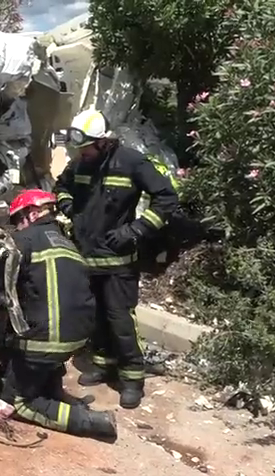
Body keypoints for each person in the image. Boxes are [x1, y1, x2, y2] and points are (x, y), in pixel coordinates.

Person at [54, 109, 179, 409]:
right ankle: (102, 364)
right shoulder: (81, 163)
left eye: (86, 148)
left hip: (119, 260)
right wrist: (69, 205)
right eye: (79, 149)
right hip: (88, 257)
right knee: (95, 316)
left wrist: (136, 230)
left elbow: (167, 198)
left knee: (120, 318)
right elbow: (60, 187)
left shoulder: (131, 162)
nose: (81, 154)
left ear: (103, 143)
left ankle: (132, 378)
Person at [0, 189, 118, 442]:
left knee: (19, 402)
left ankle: (95, 422)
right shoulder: (67, 243)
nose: (17, 227)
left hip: (47, 340)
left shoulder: (24, 240)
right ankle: (52, 388)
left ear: (31, 213)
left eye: (17, 219)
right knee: (41, 350)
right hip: (75, 338)